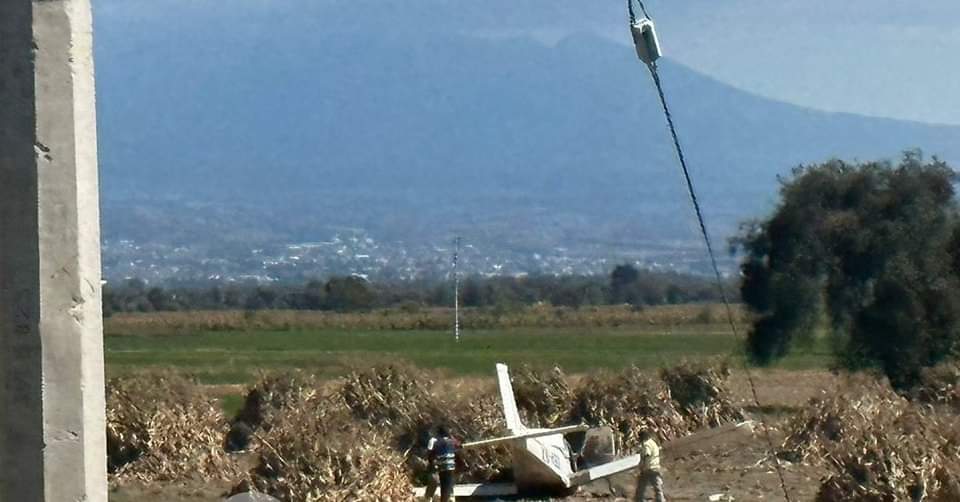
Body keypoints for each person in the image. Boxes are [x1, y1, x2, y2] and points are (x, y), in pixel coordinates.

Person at [423, 425, 461, 502]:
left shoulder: (437, 442)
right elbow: (460, 446)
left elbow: (431, 453)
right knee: (449, 484)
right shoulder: (452, 442)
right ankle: (449, 498)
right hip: (451, 467)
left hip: (441, 467)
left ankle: (443, 499)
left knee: (443, 485)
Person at [636, 428, 666, 502]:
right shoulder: (652, 442)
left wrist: (642, 465)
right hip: (655, 466)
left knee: (642, 486)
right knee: (656, 485)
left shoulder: (646, 444)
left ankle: (639, 499)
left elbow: (647, 454)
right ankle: (660, 499)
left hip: (648, 467)